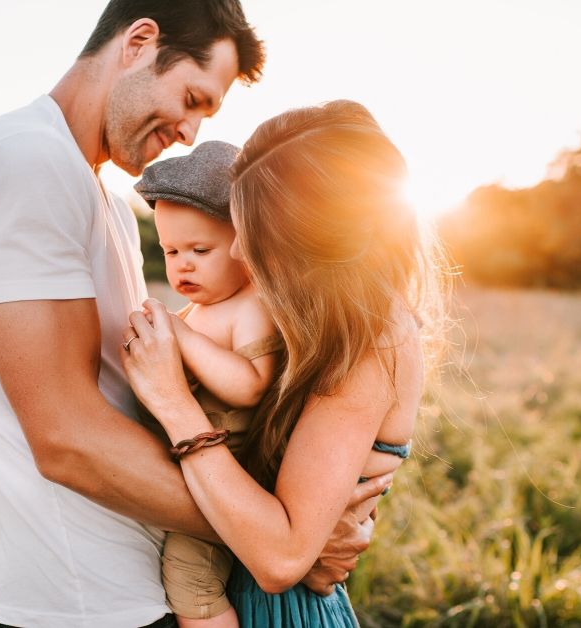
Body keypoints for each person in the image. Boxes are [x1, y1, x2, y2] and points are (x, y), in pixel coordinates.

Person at [0, 1, 390, 625]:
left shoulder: (108, 201)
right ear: (140, 41)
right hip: (91, 600)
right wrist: (280, 537)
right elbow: (65, 438)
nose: (191, 133)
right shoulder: (25, 162)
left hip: (146, 582)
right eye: (193, 98)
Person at [121, 100, 444, 627]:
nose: (241, 252)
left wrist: (174, 404)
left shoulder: (371, 341)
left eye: (255, 233)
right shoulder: (314, 323)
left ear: (310, 240)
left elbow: (280, 558)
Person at [135, 140, 281, 627]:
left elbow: (251, 385)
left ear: (246, 244)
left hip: (231, 477)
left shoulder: (251, 305)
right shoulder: (198, 310)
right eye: (170, 251)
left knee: (190, 580)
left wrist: (181, 337)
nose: (183, 264)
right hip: (190, 472)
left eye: (200, 250)